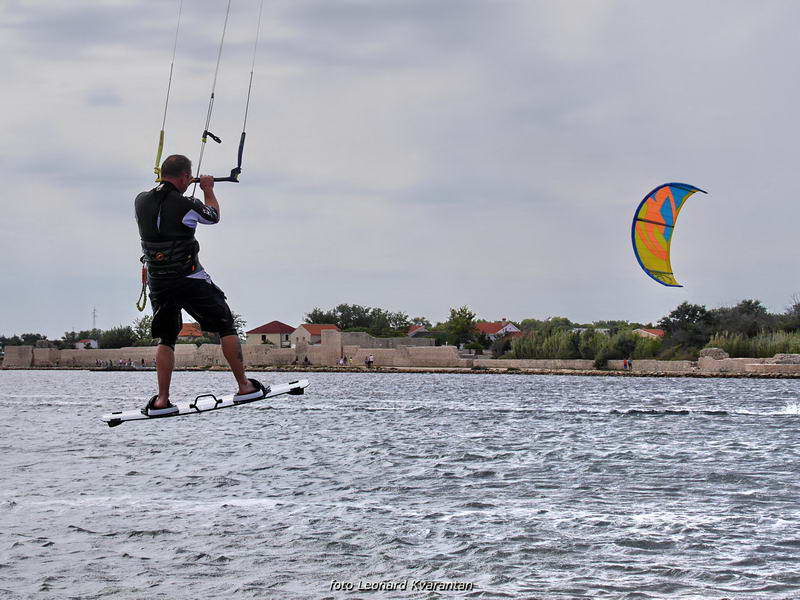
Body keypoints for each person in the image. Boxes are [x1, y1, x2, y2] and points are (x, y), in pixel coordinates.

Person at [135, 154, 264, 415]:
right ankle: (245, 386)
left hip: (159, 282)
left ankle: (161, 400)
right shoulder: (188, 204)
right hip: (189, 279)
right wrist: (208, 189)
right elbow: (213, 215)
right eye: (187, 178)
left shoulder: (139, 200)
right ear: (185, 177)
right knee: (226, 325)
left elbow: (160, 202)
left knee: (167, 337)